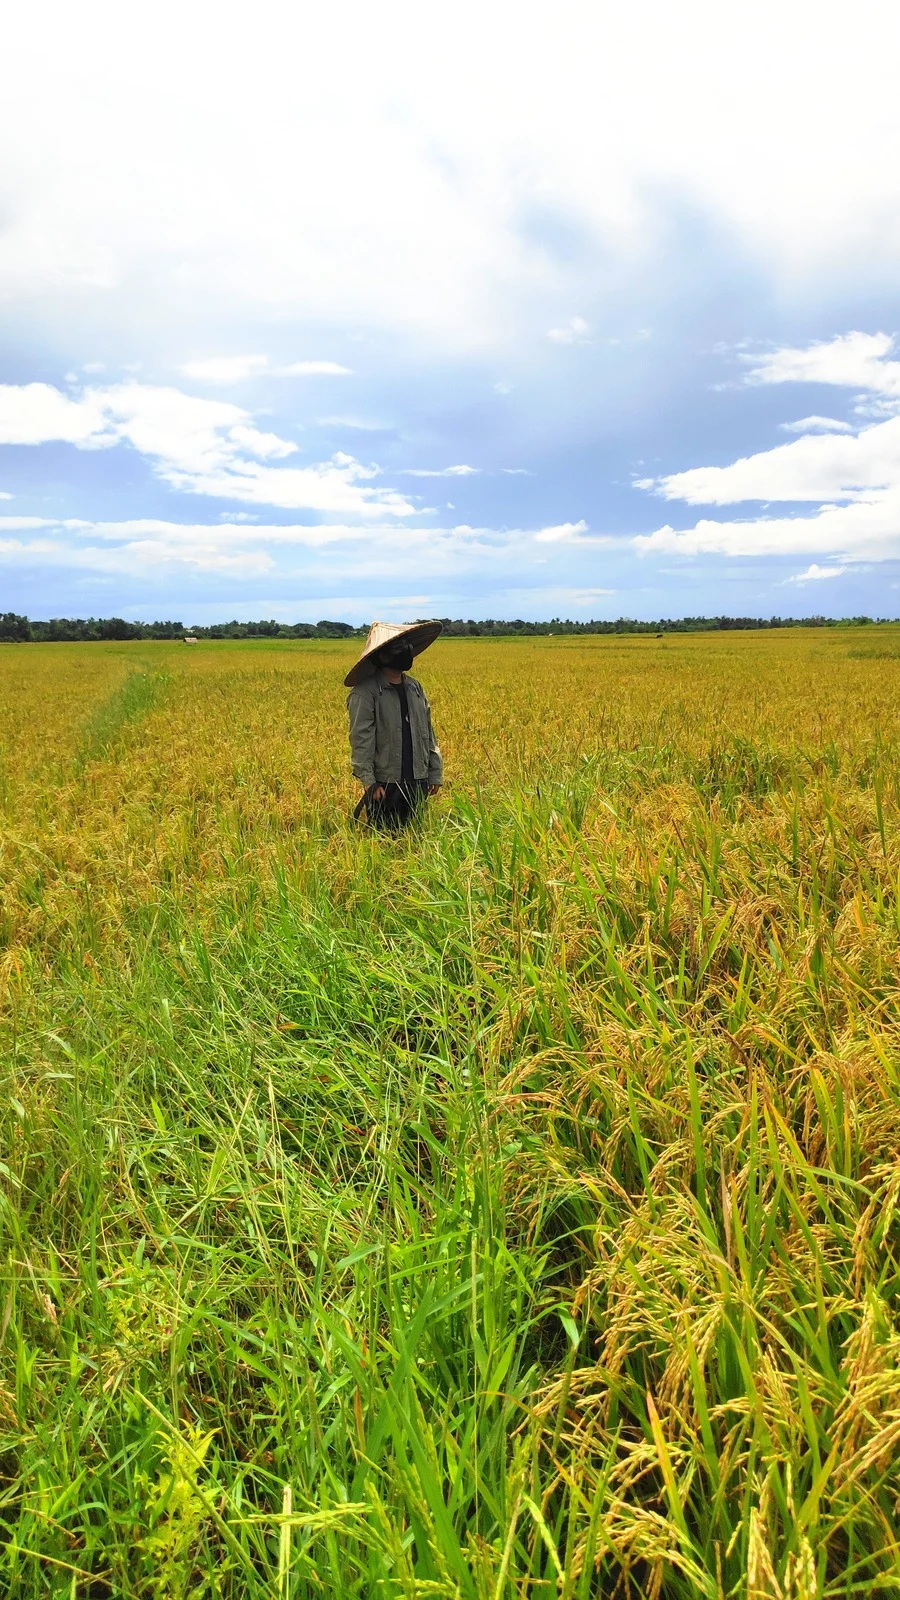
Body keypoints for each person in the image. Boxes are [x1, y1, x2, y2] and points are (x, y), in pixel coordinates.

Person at [345, 620, 443, 830]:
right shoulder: (365, 693)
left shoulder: (414, 687)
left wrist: (434, 772)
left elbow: (428, 732)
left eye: (406, 644)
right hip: (386, 783)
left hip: (418, 778)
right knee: (386, 840)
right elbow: (361, 739)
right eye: (398, 647)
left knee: (415, 837)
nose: (405, 650)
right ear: (381, 654)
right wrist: (370, 782)